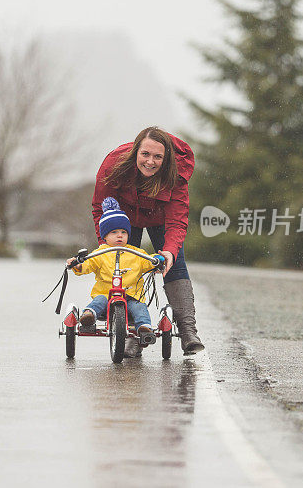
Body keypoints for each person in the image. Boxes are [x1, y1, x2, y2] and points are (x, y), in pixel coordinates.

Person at [92, 126, 204, 355]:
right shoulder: (114, 165)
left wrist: (169, 252)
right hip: (122, 218)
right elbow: (100, 207)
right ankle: (132, 335)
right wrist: (106, 243)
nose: (150, 162)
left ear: (166, 159)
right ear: (135, 152)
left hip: (160, 217)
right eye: (145, 154)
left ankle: (187, 331)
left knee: (175, 264)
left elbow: (177, 221)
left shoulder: (176, 174)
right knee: (124, 267)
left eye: (157, 157)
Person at [67, 198, 157, 358]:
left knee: (140, 307)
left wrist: (157, 260)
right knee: (99, 301)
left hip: (131, 296)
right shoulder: (100, 253)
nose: (119, 236)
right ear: (105, 236)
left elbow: (149, 261)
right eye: (114, 232)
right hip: (106, 295)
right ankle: (89, 316)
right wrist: (78, 264)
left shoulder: (136, 253)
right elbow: (88, 264)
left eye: (123, 232)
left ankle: (144, 328)